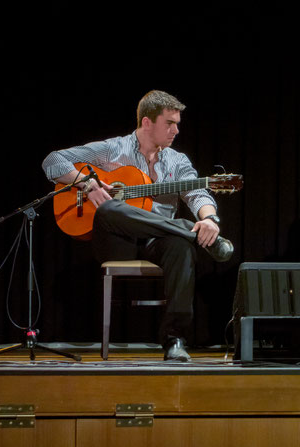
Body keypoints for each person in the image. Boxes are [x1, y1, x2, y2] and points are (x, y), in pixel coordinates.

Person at [42, 90, 233, 362]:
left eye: (177, 123)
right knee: (109, 208)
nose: (176, 130)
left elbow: (197, 194)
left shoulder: (177, 161)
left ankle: (174, 339)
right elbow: (52, 162)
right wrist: (88, 183)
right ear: (146, 122)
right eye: (170, 123)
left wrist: (209, 219)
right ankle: (183, 228)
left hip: (159, 242)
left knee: (182, 247)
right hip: (117, 242)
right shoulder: (112, 150)